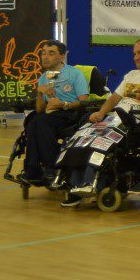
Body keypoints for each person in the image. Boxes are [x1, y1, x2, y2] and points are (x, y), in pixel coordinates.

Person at [59, 39, 140, 206]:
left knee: (100, 143)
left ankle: (89, 182)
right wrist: (101, 112)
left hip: (137, 123)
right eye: (134, 53)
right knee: (82, 139)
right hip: (113, 118)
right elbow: (114, 98)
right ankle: (74, 182)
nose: (136, 57)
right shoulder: (130, 75)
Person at [18, 40, 91, 188]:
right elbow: (39, 109)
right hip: (50, 115)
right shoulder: (44, 78)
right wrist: (39, 93)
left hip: (71, 113)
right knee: (32, 122)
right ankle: (33, 170)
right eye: (43, 53)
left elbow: (84, 102)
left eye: (51, 53)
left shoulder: (74, 73)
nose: (45, 57)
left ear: (62, 56)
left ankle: (50, 168)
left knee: (41, 122)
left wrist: (64, 104)